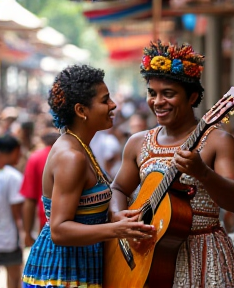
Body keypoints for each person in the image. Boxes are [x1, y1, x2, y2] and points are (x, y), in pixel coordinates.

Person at [109, 40, 234, 287]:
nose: (157, 102)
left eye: (168, 94)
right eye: (152, 93)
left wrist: (203, 173)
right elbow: (118, 188)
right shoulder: (137, 142)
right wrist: (120, 218)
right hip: (148, 258)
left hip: (204, 254)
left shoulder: (218, 141)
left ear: (192, 96)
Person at [22, 64, 154, 288]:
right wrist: (116, 230)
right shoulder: (71, 157)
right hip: (62, 274)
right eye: (105, 101)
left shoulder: (80, 146)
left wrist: (115, 218)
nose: (113, 105)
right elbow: (59, 230)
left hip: (78, 268)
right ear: (81, 111)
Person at [20, 121, 59, 247]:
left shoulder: (35, 158)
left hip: (46, 225)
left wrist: (27, 233)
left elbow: (29, 200)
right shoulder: (79, 154)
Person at [0, 134, 24, 288]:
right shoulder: (13, 176)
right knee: (14, 278)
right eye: (18, 152)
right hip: (8, 236)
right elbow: (17, 212)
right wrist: (23, 233)